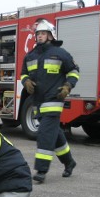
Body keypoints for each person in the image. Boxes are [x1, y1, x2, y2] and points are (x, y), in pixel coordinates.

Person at [20, 19, 80, 183]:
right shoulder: (30, 56)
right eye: (38, 33)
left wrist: (68, 85)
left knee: (45, 134)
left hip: (54, 100)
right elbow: (23, 73)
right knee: (56, 134)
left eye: (43, 33)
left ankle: (41, 170)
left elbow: (74, 70)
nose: (40, 36)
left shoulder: (61, 54)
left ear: (51, 35)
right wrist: (25, 81)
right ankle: (69, 162)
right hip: (37, 102)